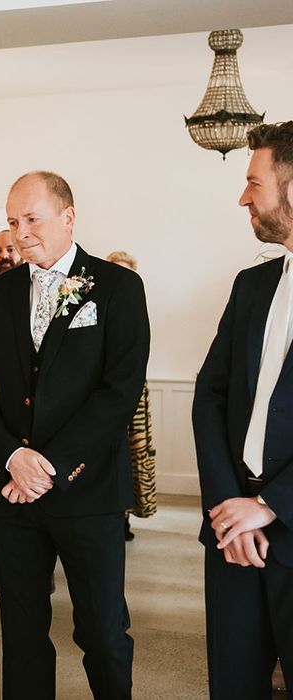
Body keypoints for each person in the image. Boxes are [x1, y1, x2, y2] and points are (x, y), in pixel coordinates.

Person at [0, 171, 150, 700]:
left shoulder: (117, 288)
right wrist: (13, 456)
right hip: (11, 496)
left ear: (69, 217)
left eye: (32, 219)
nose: (20, 233)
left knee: (103, 632)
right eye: (12, 222)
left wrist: (47, 467)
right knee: (21, 635)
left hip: (87, 492)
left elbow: (118, 394)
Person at [192, 121, 293, 699]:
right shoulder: (252, 285)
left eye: (254, 183)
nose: (243, 197)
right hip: (232, 534)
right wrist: (229, 509)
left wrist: (269, 506)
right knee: (232, 685)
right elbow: (209, 396)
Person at [107, 251, 157, 541]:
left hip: (134, 391)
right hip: (102, 390)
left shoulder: (136, 304)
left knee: (131, 453)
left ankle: (126, 513)